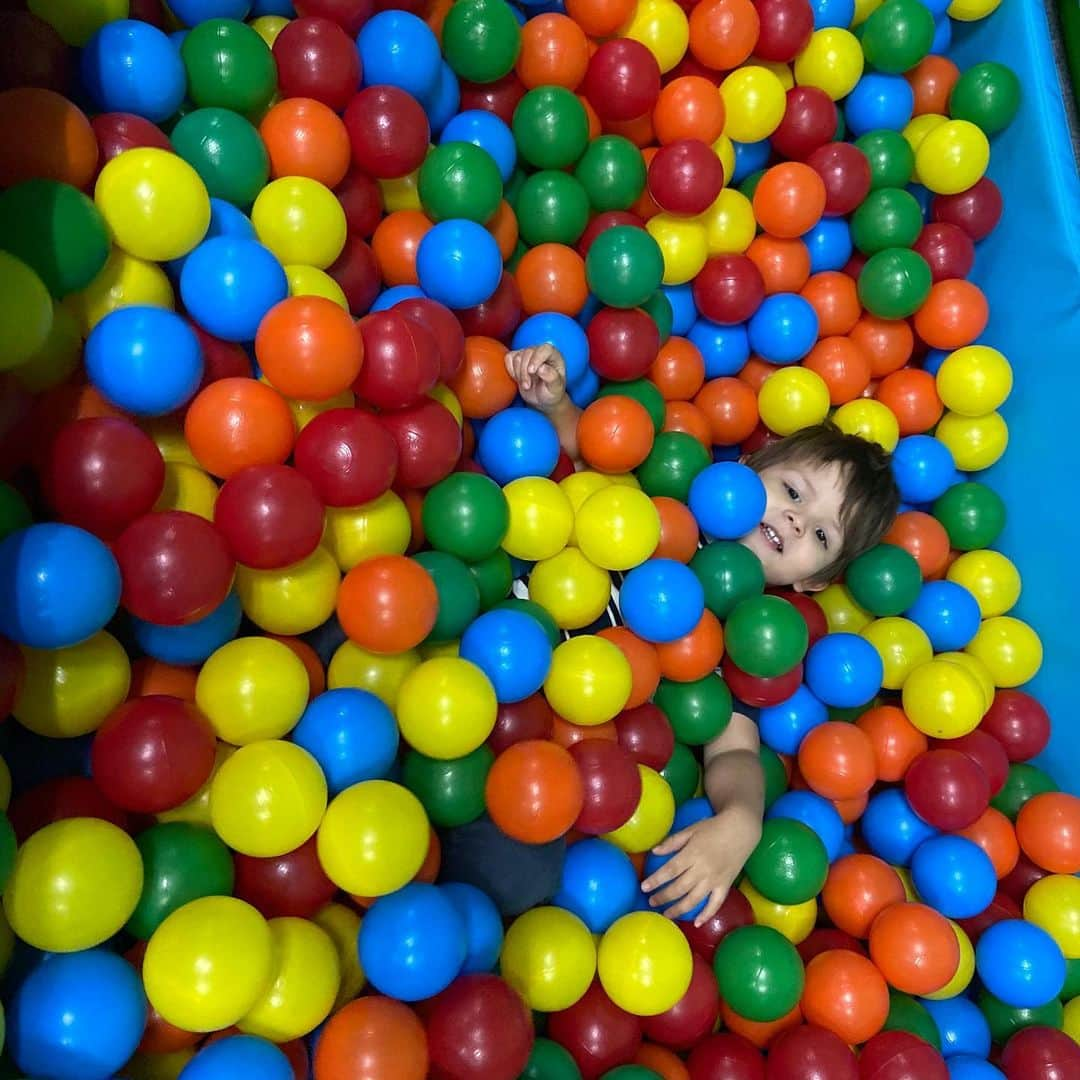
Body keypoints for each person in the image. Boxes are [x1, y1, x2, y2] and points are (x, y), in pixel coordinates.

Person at [438, 343, 900, 928]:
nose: (794, 520)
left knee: (519, 875)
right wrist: (553, 404)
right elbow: (591, 455)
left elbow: (732, 751)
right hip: (478, 644)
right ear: (749, 470)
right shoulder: (667, 495)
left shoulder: (751, 640)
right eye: (792, 492)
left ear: (813, 582)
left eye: (821, 535)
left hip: (546, 751)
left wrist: (742, 819)